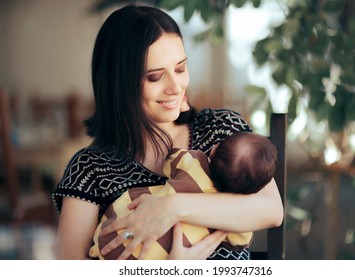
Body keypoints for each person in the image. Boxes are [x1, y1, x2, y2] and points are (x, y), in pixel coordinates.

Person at [51, 4, 283, 260]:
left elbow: (270, 209)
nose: (176, 86)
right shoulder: (90, 168)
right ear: (120, 84)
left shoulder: (220, 129)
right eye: (155, 76)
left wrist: (172, 207)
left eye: (181, 69)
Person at [89, 132, 277, 260]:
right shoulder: (238, 223)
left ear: (214, 149)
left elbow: (170, 161)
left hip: (108, 234)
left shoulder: (193, 161)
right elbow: (242, 240)